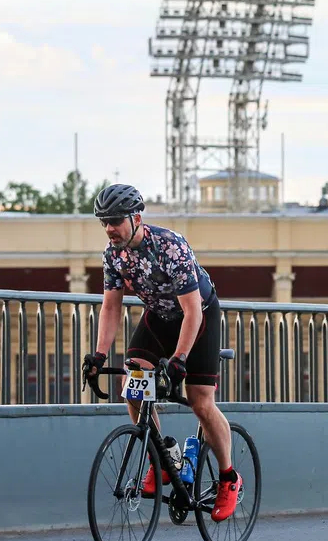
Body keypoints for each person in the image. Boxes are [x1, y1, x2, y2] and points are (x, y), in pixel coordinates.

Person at [80, 184, 242, 522]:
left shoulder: (170, 246)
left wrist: (180, 358)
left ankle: (228, 478)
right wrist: (98, 355)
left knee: (199, 401)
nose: (109, 228)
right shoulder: (113, 255)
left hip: (198, 316)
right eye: (104, 222)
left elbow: (192, 311)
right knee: (134, 382)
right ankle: (164, 459)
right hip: (160, 317)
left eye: (115, 221)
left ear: (136, 218)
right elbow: (111, 308)